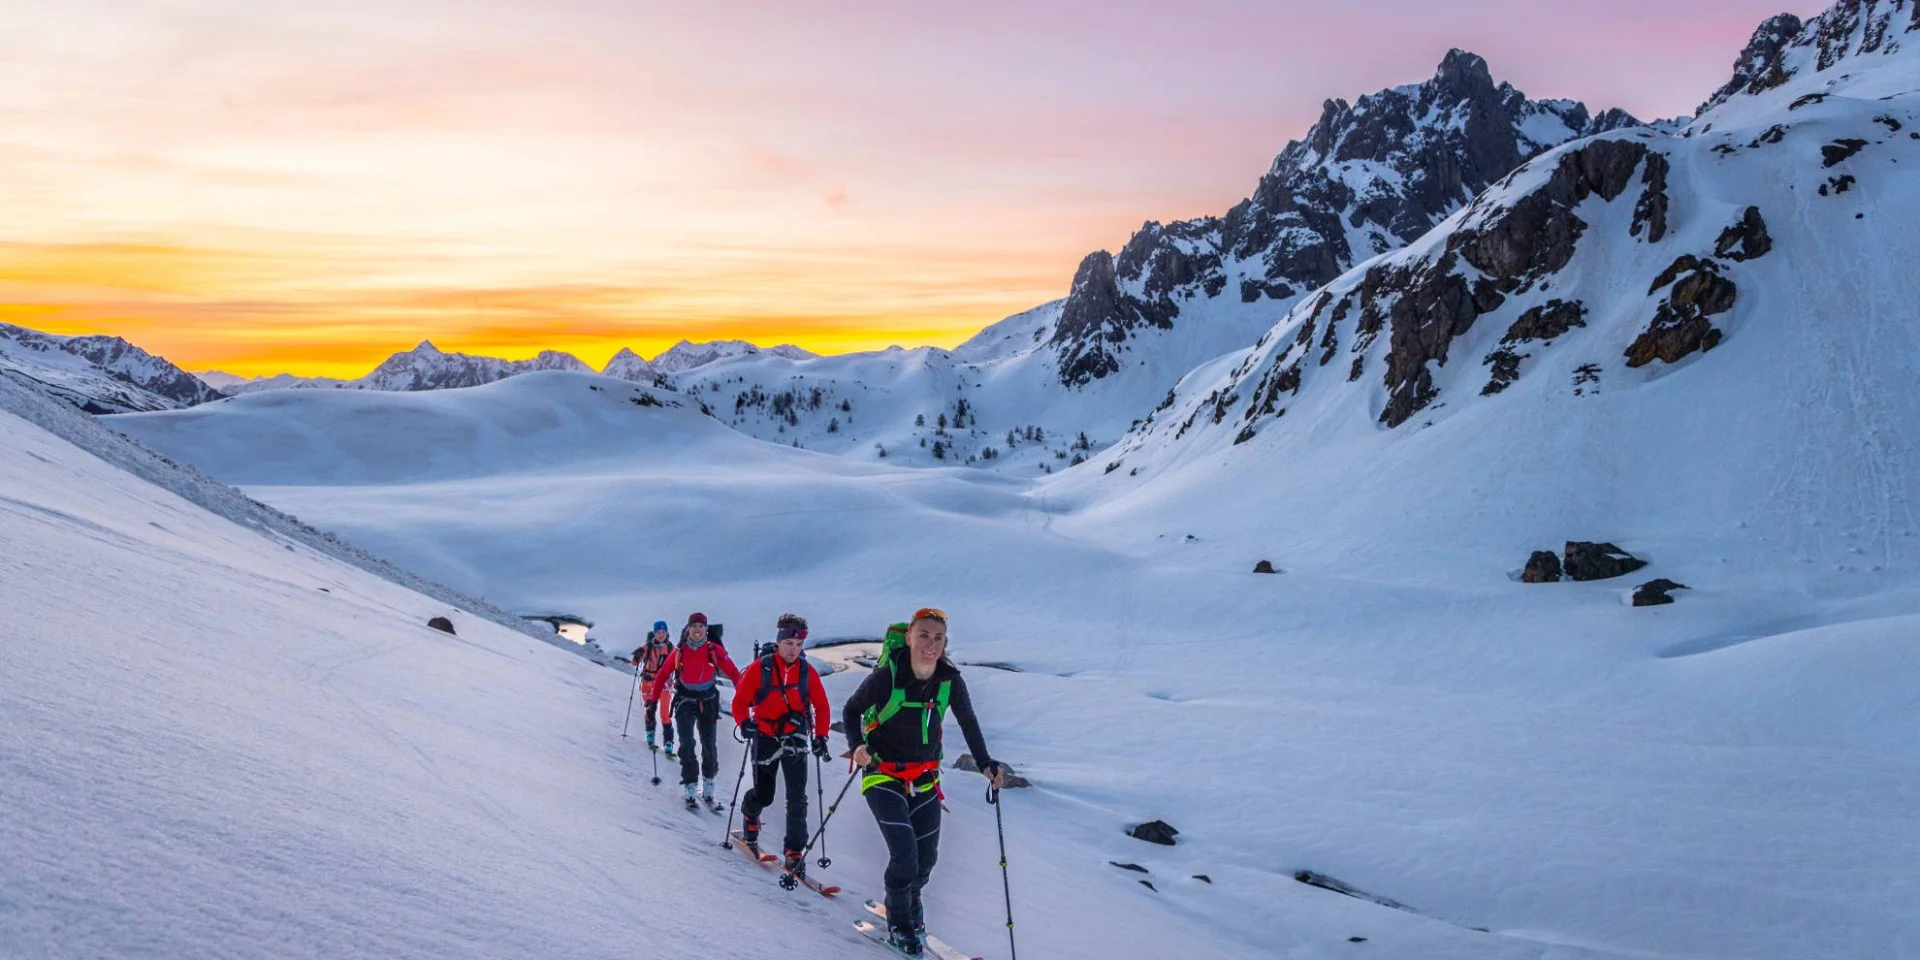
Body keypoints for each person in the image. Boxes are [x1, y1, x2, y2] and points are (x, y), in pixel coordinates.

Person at [843, 607, 1007, 957]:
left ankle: (905, 901)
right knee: (904, 852)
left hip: (926, 777)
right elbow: (851, 709)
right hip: (882, 773)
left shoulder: (950, 681)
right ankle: (901, 926)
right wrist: (856, 746)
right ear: (909, 637)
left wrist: (985, 764)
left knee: (926, 859)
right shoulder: (886, 677)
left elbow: (968, 721)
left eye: (938, 638)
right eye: (924, 635)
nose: (931, 644)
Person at [729, 613, 832, 874]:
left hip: (795, 736)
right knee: (765, 794)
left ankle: (794, 851)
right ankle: (750, 818)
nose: (794, 650)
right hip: (764, 736)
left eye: (798, 646)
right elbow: (740, 701)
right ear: (779, 643)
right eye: (789, 644)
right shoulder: (761, 668)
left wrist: (821, 736)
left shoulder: (806, 672)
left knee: (797, 798)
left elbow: (821, 705)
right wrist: (744, 722)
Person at [647, 612, 742, 808]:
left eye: (701, 626)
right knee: (687, 745)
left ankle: (708, 788)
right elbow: (663, 674)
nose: (697, 630)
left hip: (708, 701)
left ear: (706, 629)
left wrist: (743, 696)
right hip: (685, 701)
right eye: (694, 626)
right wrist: (653, 701)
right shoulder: (680, 650)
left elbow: (733, 672)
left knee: (709, 747)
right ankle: (690, 787)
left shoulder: (713, 650)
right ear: (688, 629)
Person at [630, 621, 675, 751]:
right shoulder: (647, 647)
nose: (661, 635)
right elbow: (634, 663)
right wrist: (637, 656)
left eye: (663, 632)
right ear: (654, 633)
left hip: (664, 684)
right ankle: (650, 734)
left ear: (667, 633)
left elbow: (678, 665)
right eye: (658, 632)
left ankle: (668, 742)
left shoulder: (672, 648)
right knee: (650, 710)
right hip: (648, 683)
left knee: (665, 713)